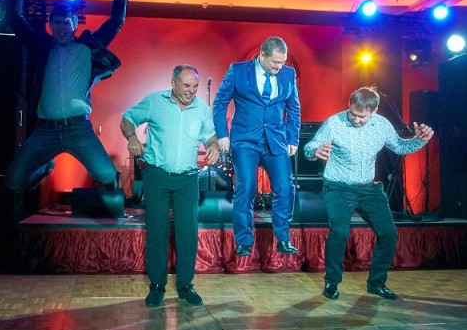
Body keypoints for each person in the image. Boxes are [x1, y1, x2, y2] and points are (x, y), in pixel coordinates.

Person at [3, 0, 127, 191]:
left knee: (107, 174)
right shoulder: (42, 47)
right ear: (50, 25)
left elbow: (115, 22)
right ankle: (45, 166)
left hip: (78, 129)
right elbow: (14, 18)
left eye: (66, 23)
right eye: (57, 23)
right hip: (45, 130)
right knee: (13, 181)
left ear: (75, 25)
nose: (61, 27)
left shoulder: (87, 48)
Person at [304, 87, 434, 300]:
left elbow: (400, 147)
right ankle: (331, 282)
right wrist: (314, 151)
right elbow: (311, 146)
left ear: (374, 111)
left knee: (389, 234)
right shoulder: (334, 123)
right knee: (340, 232)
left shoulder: (382, 125)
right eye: (352, 113)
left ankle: (376, 283)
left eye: (361, 117)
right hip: (338, 187)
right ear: (349, 106)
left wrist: (420, 139)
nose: (355, 119)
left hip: (368, 189)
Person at [121, 65, 220, 307]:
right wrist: (132, 137)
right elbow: (127, 119)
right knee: (157, 231)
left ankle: (185, 286)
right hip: (157, 176)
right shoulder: (154, 102)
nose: (191, 91)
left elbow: (209, 136)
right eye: (186, 85)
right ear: (173, 83)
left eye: (195, 86)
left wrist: (213, 145)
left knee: (188, 232)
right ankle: (157, 286)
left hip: (187, 179)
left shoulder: (202, 109)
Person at [213, 36, 301, 257]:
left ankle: (283, 238)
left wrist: (293, 138)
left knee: (285, 187)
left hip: (276, 141)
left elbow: (294, 108)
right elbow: (220, 103)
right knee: (247, 188)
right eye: (275, 62)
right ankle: (243, 240)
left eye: (282, 62)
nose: (279, 67)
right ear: (262, 55)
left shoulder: (288, 74)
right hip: (245, 141)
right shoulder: (238, 71)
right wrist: (222, 134)